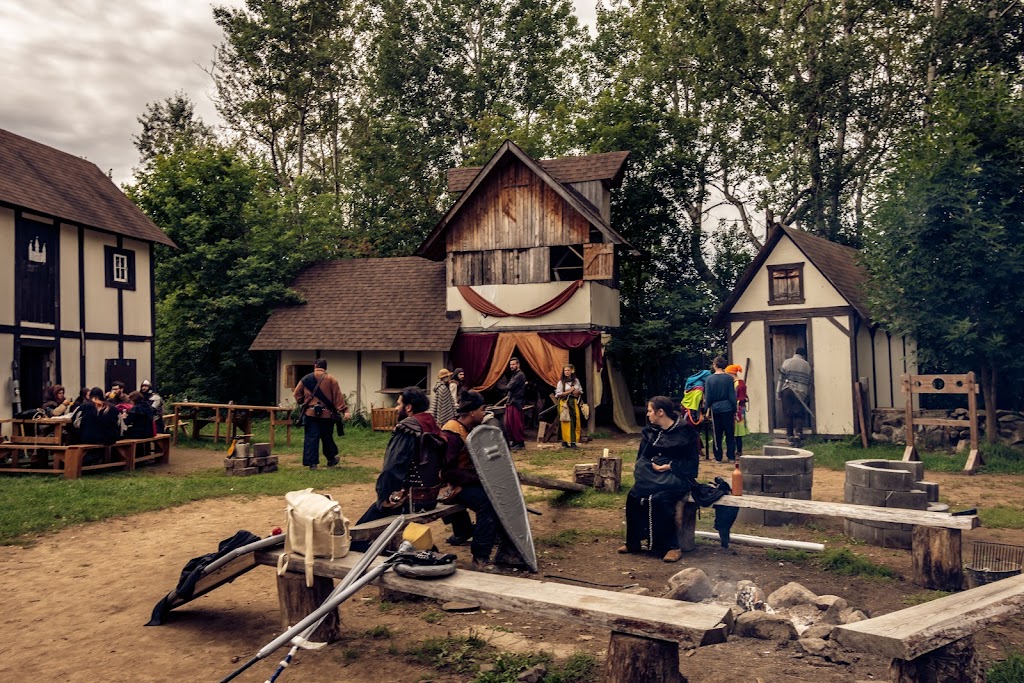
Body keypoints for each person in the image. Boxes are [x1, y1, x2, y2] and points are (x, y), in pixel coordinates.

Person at [351, 387, 443, 549]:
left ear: (408, 407)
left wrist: (384, 497)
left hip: (406, 501)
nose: (396, 408)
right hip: (429, 498)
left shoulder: (408, 428)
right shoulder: (432, 425)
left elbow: (392, 467)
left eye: (398, 403)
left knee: (358, 536)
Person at [618, 396, 701, 562]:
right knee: (634, 496)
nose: (648, 414)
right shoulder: (650, 432)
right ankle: (633, 542)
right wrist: (649, 469)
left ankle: (672, 547)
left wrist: (669, 466)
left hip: (676, 478)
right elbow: (642, 458)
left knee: (660, 500)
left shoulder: (686, 433)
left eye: (650, 411)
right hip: (653, 478)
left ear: (660, 412)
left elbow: (692, 467)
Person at [439, 391, 515, 570]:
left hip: (465, 481)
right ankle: (480, 558)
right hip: (451, 485)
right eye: (483, 409)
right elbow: (447, 471)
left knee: (495, 495)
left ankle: (468, 533)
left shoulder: (470, 428)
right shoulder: (452, 433)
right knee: (487, 504)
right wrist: (479, 479)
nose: (485, 413)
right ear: (473, 412)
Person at [293, 359, 350, 470]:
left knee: (311, 438)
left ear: (315, 366)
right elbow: (338, 397)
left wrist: (302, 401)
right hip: (326, 414)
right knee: (327, 437)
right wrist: (344, 411)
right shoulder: (331, 379)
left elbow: (297, 394)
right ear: (325, 367)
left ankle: (312, 464)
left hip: (310, 413)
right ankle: (331, 459)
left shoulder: (305, 379)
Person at [777, 347, 812, 446]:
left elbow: (781, 379)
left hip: (787, 390)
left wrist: (778, 392)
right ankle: (798, 433)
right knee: (799, 413)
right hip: (801, 392)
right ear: (804, 355)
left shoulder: (787, 362)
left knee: (788, 413)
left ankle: (790, 436)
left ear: (795, 353)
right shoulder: (807, 365)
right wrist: (807, 395)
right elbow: (809, 382)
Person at [705, 356, 737, 463]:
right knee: (729, 433)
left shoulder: (709, 379)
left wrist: (707, 409)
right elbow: (732, 395)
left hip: (715, 409)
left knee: (717, 433)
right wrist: (734, 408)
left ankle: (718, 457)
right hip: (727, 408)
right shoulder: (729, 378)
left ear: (715, 365)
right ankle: (731, 456)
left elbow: (708, 397)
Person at [555, 364, 583, 449]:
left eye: (568, 370)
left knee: (575, 420)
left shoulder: (576, 381)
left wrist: (576, 392)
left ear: (571, 371)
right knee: (565, 421)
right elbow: (558, 394)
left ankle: (573, 441)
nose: (567, 372)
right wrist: (569, 391)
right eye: (565, 370)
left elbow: (579, 391)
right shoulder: (561, 382)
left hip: (573, 402)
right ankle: (565, 441)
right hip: (564, 403)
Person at [725, 365, 749, 456]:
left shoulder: (738, 384)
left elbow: (740, 397)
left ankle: (739, 450)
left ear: (731, 374)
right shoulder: (739, 382)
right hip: (738, 409)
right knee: (736, 432)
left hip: (737, 410)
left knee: (737, 431)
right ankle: (738, 450)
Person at [504, 358, 527, 450]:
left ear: (518, 365)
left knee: (516, 423)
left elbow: (509, 386)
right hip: (511, 401)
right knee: (509, 423)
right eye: (510, 365)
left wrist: (506, 387)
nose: (511, 366)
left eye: (513, 364)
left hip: (516, 401)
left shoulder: (519, 375)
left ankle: (520, 442)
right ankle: (514, 441)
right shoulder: (515, 375)